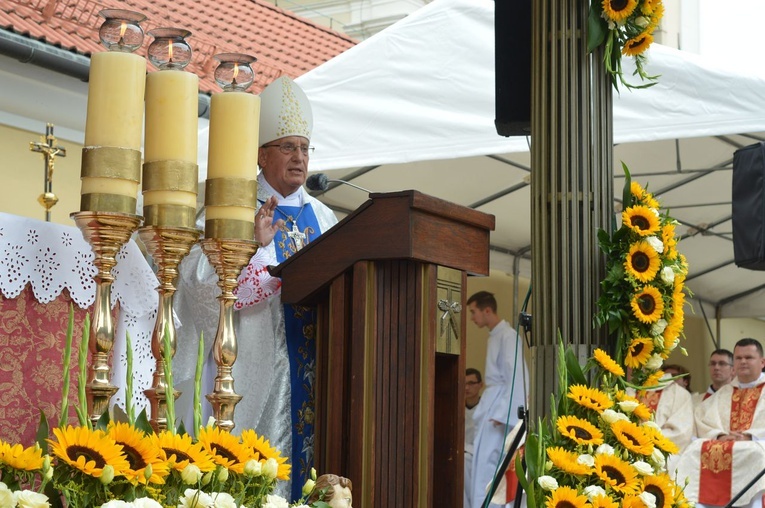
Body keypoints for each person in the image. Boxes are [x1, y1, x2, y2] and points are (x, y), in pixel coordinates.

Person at [173, 76, 338, 500]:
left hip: (319, 367)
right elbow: (196, 283)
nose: (300, 158)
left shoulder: (325, 216)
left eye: (304, 148)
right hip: (257, 367)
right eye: (288, 147)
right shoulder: (234, 204)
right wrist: (250, 247)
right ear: (262, 155)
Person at [674, 338, 765, 508]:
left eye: (748, 357)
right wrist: (720, 435)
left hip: (757, 444)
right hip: (725, 444)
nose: (743, 362)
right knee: (693, 450)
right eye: (738, 358)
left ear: (762, 362)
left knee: (757, 455)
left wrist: (749, 436)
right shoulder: (725, 391)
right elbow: (701, 417)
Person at [465, 291, 527, 508]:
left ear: (487, 310)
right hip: (493, 403)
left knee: (492, 465)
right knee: (482, 464)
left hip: (500, 406)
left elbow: (517, 374)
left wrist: (504, 413)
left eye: (474, 312)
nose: (472, 318)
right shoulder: (496, 335)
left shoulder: (509, 336)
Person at [635, 369, 694, 453]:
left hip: (659, 452)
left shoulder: (679, 394)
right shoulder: (629, 390)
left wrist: (646, 438)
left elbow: (681, 433)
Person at [464, 367, 483, 508]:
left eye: (471, 383)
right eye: (464, 383)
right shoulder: (455, 408)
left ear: (480, 385)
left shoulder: (488, 409)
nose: (466, 388)